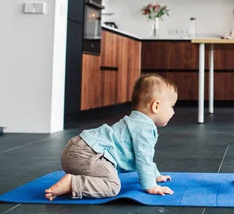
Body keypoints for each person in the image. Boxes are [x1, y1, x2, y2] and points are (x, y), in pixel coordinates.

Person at [44, 74, 177, 200]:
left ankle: (77, 180)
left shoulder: (136, 122)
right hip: (89, 155)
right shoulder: (144, 129)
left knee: (106, 174)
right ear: (156, 106)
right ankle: (72, 183)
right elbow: (143, 160)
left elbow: (146, 158)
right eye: (171, 106)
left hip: (76, 147)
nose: (173, 111)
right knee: (112, 186)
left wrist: (156, 175)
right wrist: (151, 185)